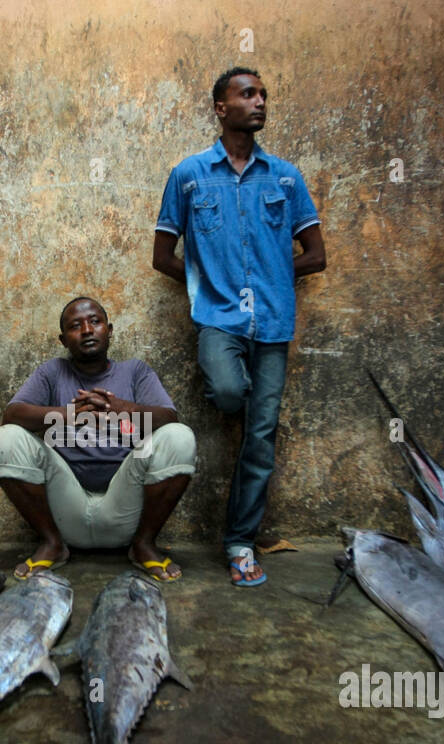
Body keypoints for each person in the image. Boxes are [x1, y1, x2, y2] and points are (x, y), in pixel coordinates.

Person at [152, 66, 326, 587]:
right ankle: (243, 402)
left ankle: (241, 541)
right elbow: (163, 255)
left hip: (272, 323)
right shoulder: (189, 175)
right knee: (229, 392)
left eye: (264, 95)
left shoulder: (286, 177)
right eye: (247, 94)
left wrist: (275, 272)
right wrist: (208, 282)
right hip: (219, 319)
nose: (260, 102)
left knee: (260, 439)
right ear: (221, 109)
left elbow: (315, 255)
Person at [0, 297, 196, 581]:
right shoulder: (53, 372)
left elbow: (169, 420)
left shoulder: (134, 371)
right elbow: (12, 415)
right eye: (76, 326)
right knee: (6, 438)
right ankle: (52, 544)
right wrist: (67, 414)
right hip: (66, 509)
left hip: (124, 508)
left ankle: (143, 545)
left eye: (95, 322)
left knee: (180, 436)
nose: (87, 330)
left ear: (109, 330)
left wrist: (126, 409)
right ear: (63, 340)